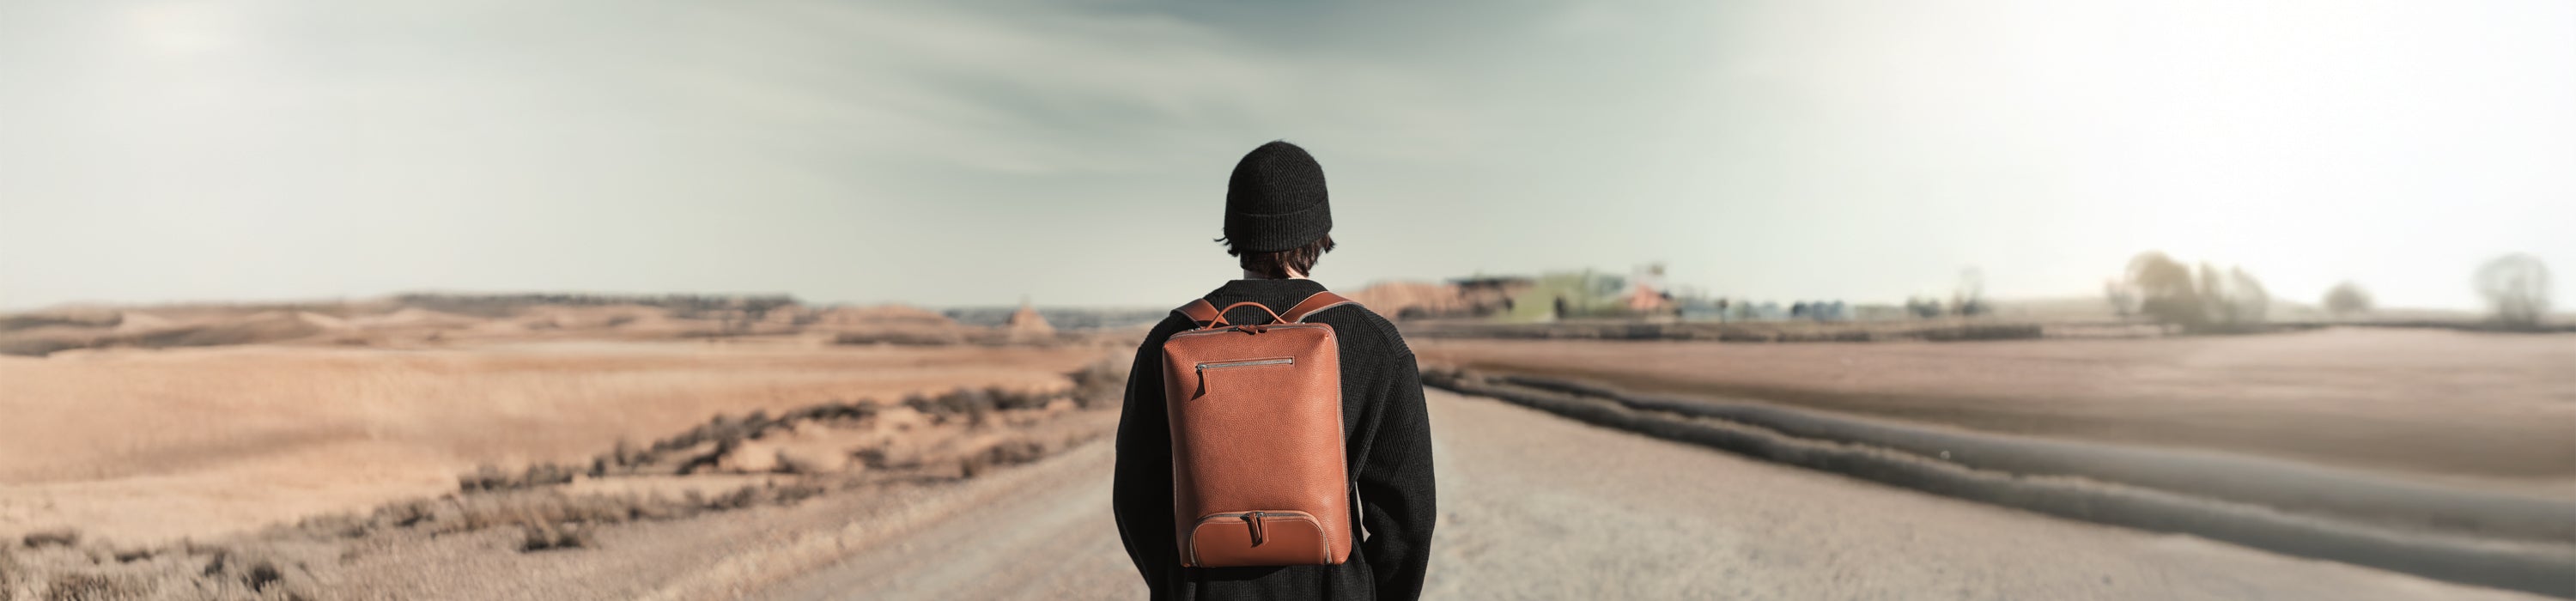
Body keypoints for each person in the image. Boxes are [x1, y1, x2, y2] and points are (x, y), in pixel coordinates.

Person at [1112, 141, 1437, 600]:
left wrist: (1177, 585)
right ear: (1320, 230)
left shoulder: (1170, 340)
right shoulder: (1375, 343)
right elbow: (1408, 516)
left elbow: (1135, 499)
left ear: (1234, 230)